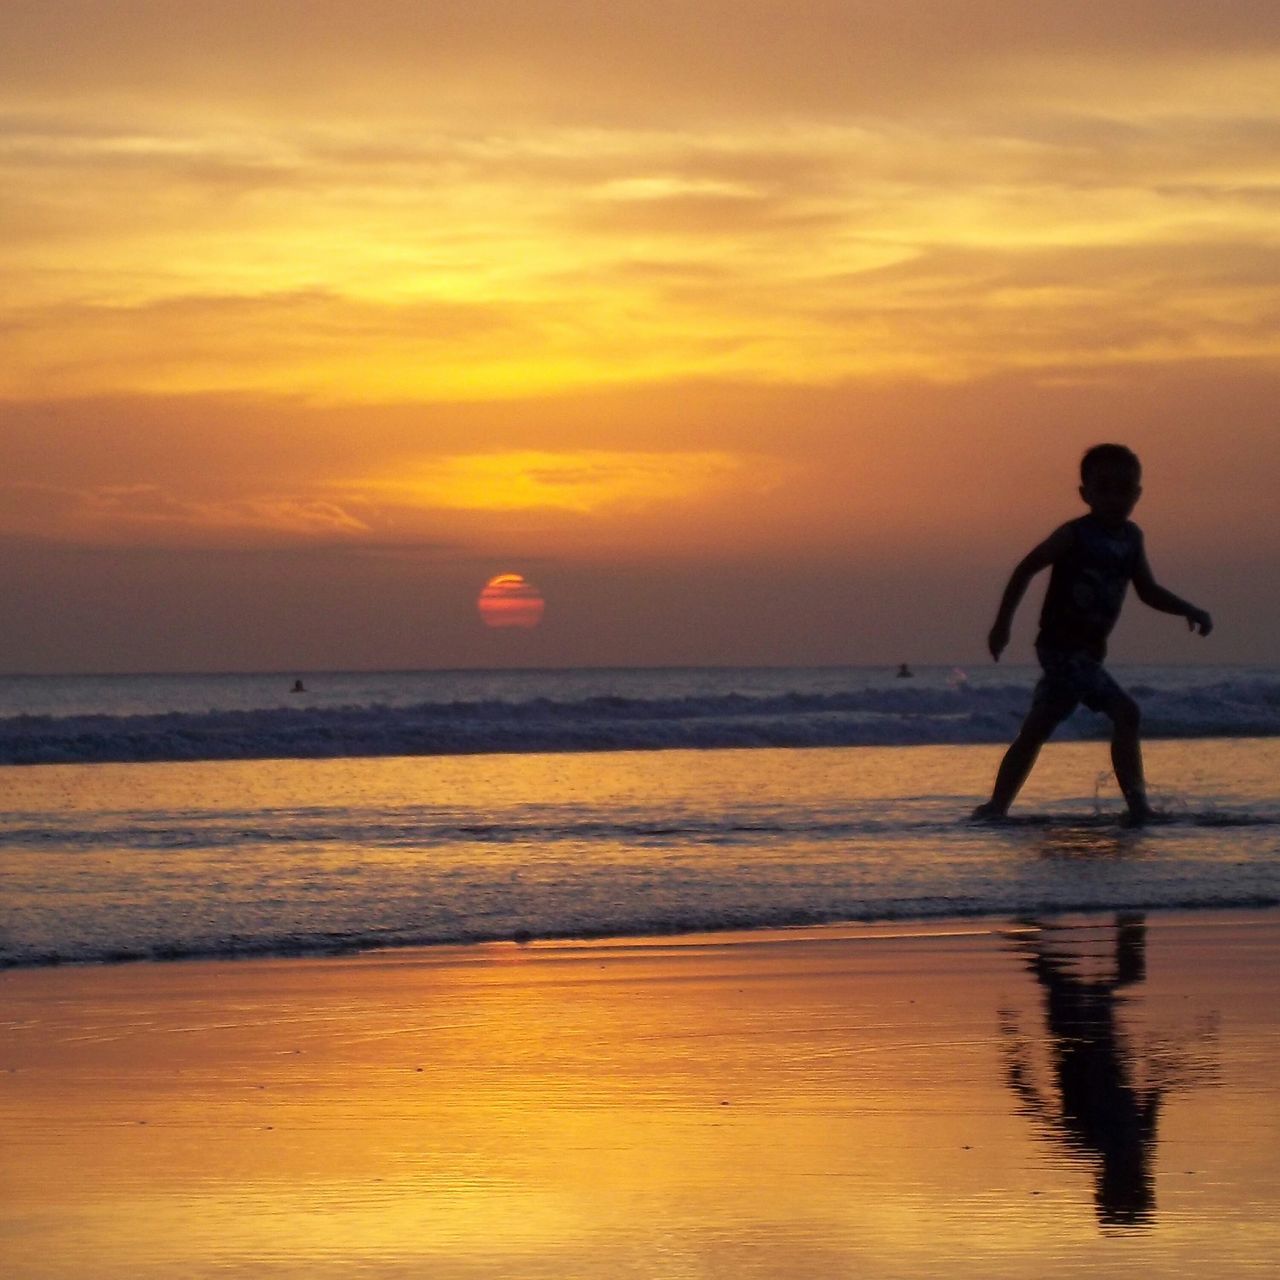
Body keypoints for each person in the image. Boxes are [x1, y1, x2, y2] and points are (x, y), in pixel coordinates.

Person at [973, 444, 1212, 823]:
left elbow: (1147, 590)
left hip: (1088, 654)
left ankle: (995, 808)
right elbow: (1026, 568)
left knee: (1039, 725)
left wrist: (1189, 609)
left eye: (1124, 489)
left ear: (1137, 494)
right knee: (1126, 712)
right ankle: (1138, 807)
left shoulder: (1131, 538)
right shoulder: (1075, 535)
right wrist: (1002, 625)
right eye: (1104, 489)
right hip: (1060, 649)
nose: (1114, 498)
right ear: (1086, 494)